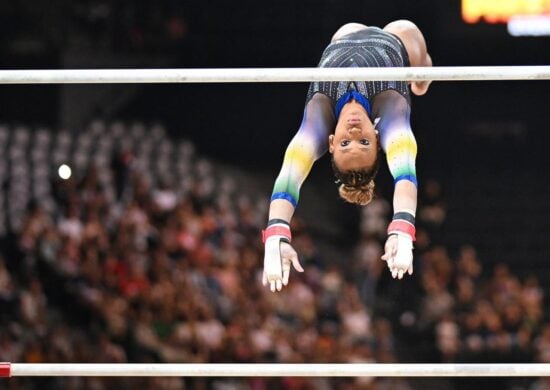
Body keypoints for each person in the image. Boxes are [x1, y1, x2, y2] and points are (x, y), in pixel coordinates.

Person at [261, 20, 433, 292]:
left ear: (330, 142)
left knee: (345, 30)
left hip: (344, 36)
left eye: (344, 143)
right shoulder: (391, 118)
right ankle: (422, 76)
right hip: (399, 41)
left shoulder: (317, 124)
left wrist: (276, 233)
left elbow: (290, 176)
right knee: (419, 77)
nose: (353, 131)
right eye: (364, 142)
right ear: (378, 139)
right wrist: (402, 227)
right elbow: (405, 175)